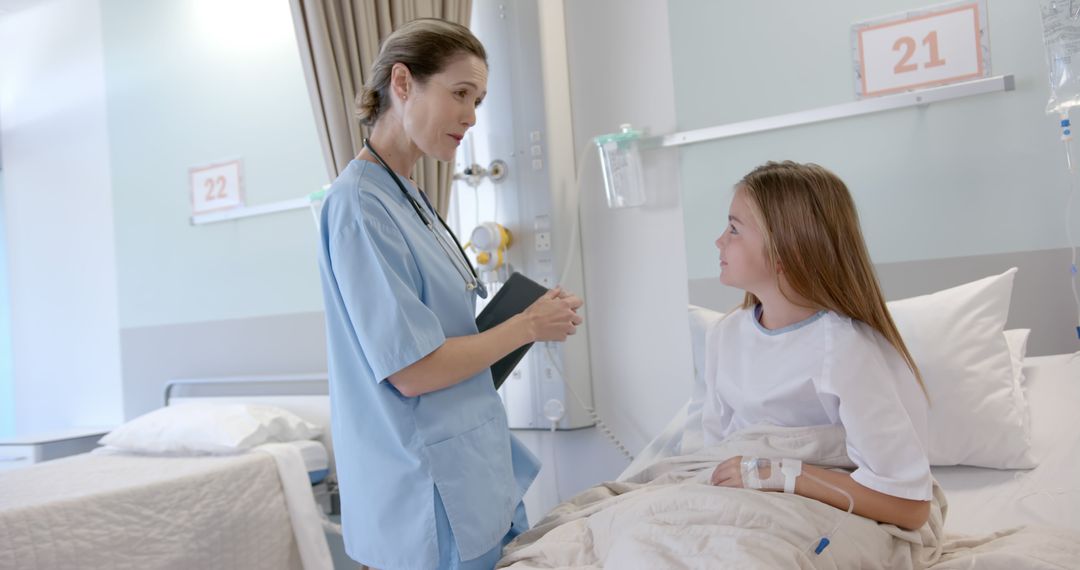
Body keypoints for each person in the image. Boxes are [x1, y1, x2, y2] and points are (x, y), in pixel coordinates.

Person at [315, 18, 583, 570]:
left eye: (479, 100)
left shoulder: (410, 195)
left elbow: (448, 340)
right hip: (425, 491)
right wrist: (527, 326)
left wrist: (523, 318)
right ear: (403, 83)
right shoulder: (359, 206)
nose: (471, 116)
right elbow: (412, 370)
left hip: (472, 470)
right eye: (460, 93)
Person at [703, 161, 932, 531]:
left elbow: (910, 507)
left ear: (785, 252)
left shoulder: (845, 350)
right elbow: (713, 452)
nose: (719, 241)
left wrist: (781, 475)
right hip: (736, 507)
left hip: (827, 514)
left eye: (734, 229)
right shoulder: (725, 335)